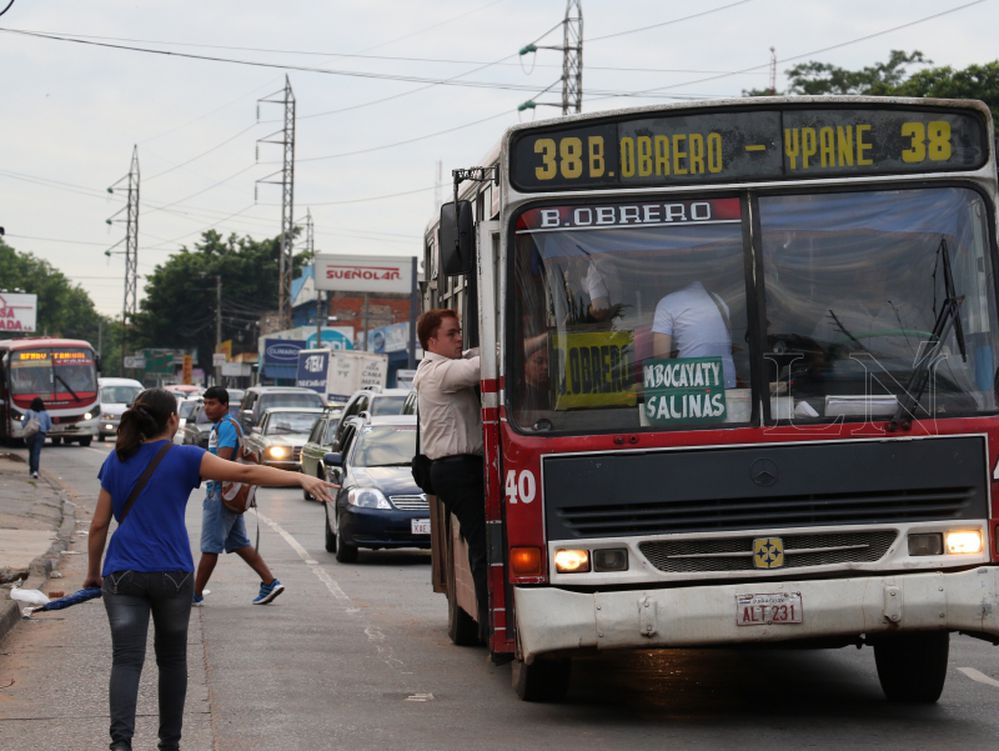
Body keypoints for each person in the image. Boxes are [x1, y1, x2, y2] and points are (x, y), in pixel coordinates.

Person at [84, 388, 332, 751]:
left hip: (122, 574)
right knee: (171, 660)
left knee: (126, 660)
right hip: (172, 573)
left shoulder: (117, 459)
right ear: (173, 419)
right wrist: (300, 478)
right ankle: (169, 743)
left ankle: (121, 743)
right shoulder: (186, 458)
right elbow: (246, 471)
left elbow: (98, 526)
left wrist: (93, 573)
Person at [412, 308, 488, 637]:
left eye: (459, 332)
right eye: (452, 334)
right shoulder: (437, 373)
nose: (459, 339)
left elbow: (474, 354)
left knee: (484, 541)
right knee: (484, 544)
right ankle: (492, 625)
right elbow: (482, 365)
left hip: (458, 468)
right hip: (456, 469)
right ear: (432, 341)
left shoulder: (443, 366)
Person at [193, 386, 283, 606]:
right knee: (240, 544)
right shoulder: (225, 426)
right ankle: (270, 582)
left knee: (210, 547)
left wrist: (196, 477)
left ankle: (194, 594)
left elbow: (221, 465)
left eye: (212, 403)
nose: (207, 407)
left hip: (220, 495)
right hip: (228, 494)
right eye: (205, 403)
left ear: (225, 406)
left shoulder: (226, 427)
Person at [651, 280, 737, 388]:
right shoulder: (718, 300)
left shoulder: (667, 303)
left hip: (693, 387)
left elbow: (661, 359)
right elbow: (728, 343)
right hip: (727, 382)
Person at [21, 397, 52, 479]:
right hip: (40, 434)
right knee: (36, 452)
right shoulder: (45, 414)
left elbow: (23, 423)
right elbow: (49, 425)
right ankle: (35, 471)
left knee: (31, 452)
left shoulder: (28, 412)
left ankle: (32, 470)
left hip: (30, 434)